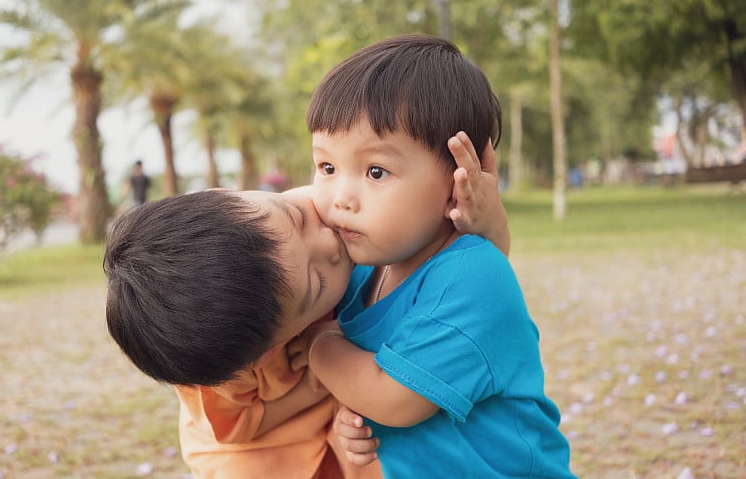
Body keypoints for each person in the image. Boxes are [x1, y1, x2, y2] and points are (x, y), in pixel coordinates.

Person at [105, 134, 507, 478]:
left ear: (224, 194)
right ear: (265, 353)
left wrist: (488, 226)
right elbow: (238, 427)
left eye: (297, 216)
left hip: (334, 434)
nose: (329, 243)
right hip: (265, 463)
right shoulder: (228, 358)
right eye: (317, 281)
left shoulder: (321, 250)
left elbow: (466, 292)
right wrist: (320, 379)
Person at [300, 34, 575, 478]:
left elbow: (393, 397)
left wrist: (318, 345)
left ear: (459, 175)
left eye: (375, 171)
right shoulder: (359, 273)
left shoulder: (473, 273)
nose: (340, 197)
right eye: (327, 167)